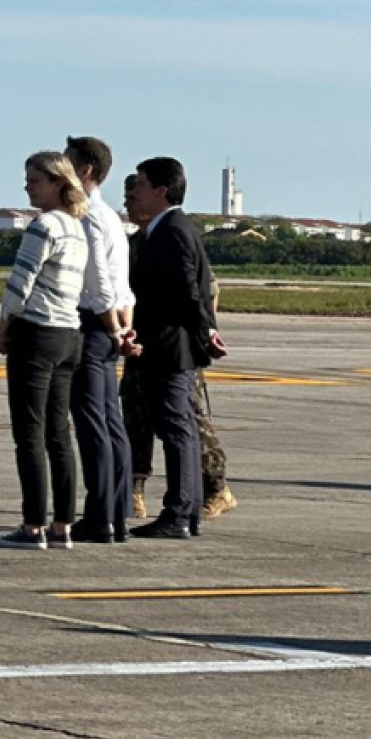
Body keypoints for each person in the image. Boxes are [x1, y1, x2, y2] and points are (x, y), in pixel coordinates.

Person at [123, 171, 236, 522]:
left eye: (135, 195)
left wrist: (203, 334)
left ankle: (213, 488)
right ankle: (135, 487)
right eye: (126, 199)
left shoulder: (173, 234)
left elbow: (203, 292)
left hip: (175, 347)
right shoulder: (137, 241)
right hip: (143, 345)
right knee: (135, 417)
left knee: (188, 421)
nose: (130, 203)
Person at [0, 151, 91, 550]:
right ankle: (63, 524)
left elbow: (21, 282)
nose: (28, 187)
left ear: (56, 182)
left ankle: (33, 525)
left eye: (34, 181)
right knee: (58, 434)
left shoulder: (44, 225)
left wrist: (4, 326)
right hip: (69, 334)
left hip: (36, 332)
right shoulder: (76, 227)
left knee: (29, 434)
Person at [64, 136, 135, 543]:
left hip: (93, 327)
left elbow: (103, 287)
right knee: (111, 424)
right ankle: (116, 513)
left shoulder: (89, 216)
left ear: (86, 169)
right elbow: (124, 289)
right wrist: (125, 329)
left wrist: (111, 328)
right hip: (111, 328)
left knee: (94, 429)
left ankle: (100, 516)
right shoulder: (109, 216)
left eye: (68, 160)